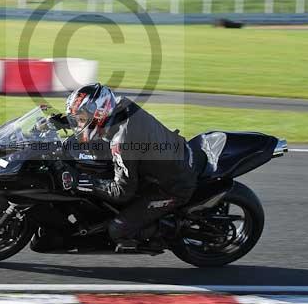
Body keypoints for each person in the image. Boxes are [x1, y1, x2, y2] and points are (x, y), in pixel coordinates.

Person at [55, 83, 200, 252]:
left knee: (117, 229)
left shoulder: (122, 140)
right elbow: (94, 122)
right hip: (170, 156)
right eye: (78, 119)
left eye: (81, 119)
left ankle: (163, 235)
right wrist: (66, 122)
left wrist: (82, 182)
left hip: (173, 185)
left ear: (100, 113)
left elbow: (122, 192)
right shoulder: (119, 105)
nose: (79, 124)